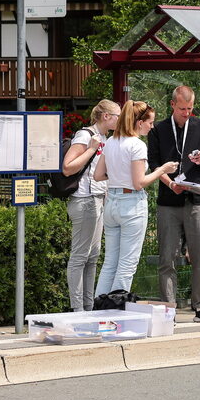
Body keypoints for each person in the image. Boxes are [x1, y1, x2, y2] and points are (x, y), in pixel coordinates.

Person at [148, 85, 200, 324]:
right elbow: (154, 165)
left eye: (190, 108)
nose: (187, 113)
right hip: (169, 201)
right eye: (182, 109)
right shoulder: (158, 129)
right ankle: (168, 310)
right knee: (167, 258)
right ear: (172, 105)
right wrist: (170, 184)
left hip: (198, 200)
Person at [93, 101, 178, 296]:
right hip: (131, 204)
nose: (152, 126)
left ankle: (99, 310)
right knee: (127, 263)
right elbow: (139, 182)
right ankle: (115, 312)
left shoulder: (111, 141)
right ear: (139, 123)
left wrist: (118, 175)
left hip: (112, 202)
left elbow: (98, 175)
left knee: (110, 262)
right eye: (150, 122)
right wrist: (163, 170)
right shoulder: (137, 145)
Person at [63, 99, 120, 311]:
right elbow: (67, 168)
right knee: (79, 256)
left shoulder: (105, 137)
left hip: (97, 200)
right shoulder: (85, 135)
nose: (119, 120)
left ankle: (87, 307)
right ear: (106, 117)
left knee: (93, 256)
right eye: (117, 116)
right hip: (83, 200)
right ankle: (77, 308)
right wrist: (91, 149)